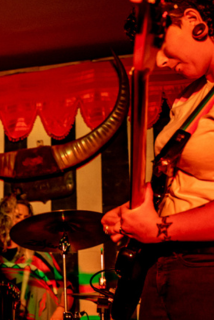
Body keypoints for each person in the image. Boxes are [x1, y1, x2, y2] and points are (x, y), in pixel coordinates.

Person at [102, 1, 214, 319]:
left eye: (161, 46)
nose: (161, 61)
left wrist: (160, 228)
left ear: (194, 21)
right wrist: (135, 214)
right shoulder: (193, 94)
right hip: (163, 262)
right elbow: (180, 177)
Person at [0, 193, 70, 320]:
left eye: (26, 217)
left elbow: (67, 290)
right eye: (17, 216)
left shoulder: (38, 254)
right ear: (3, 218)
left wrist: (59, 313)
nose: (22, 221)